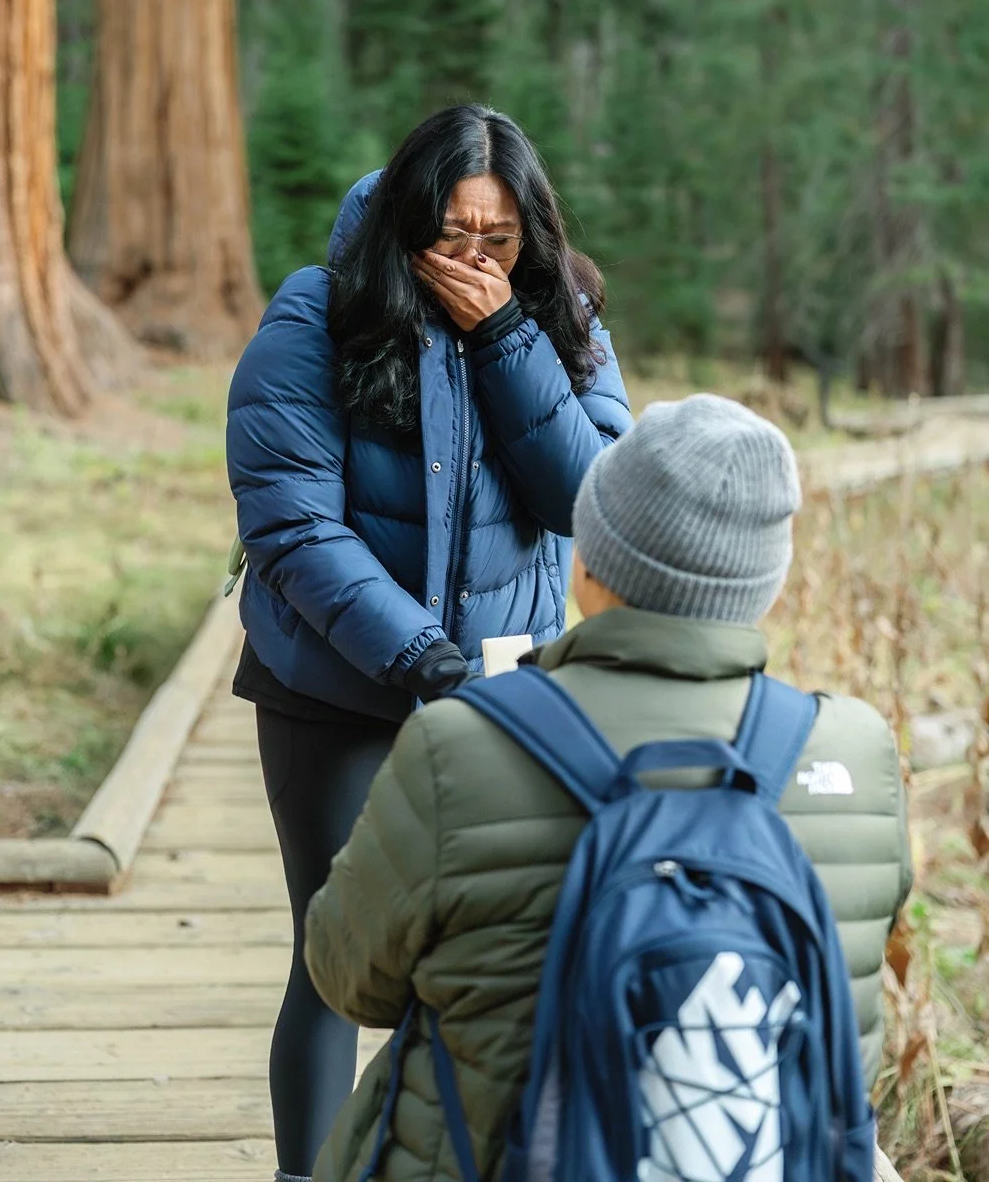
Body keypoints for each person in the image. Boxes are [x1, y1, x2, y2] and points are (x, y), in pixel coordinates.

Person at [304, 394, 912, 1182]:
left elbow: (350, 982)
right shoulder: (854, 750)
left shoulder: (460, 745)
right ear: (766, 582)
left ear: (587, 564)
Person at [225, 103, 631, 1182]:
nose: (473, 257)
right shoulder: (321, 309)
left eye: (497, 237)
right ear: (408, 218)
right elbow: (290, 522)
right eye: (451, 233)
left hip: (501, 694)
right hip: (334, 687)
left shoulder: (564, 312)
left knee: (475, 960)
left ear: (530, 231)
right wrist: (417, 655)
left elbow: (594, 499)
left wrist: (505, 341)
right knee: (333, 954)